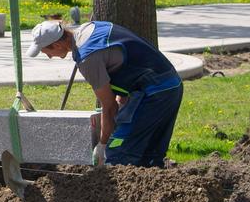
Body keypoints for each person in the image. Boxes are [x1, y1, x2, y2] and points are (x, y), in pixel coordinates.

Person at [28, 18, 183, 167]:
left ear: (56, 45)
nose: (48, 56)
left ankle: (121, 191)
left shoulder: (87, 57)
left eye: (46, 52)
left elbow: (109, 108)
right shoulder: (91, 28)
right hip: (170, 84)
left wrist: (102, 145)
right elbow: (128, 61)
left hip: (156, 92)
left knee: (117, 153)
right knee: (148, 154)